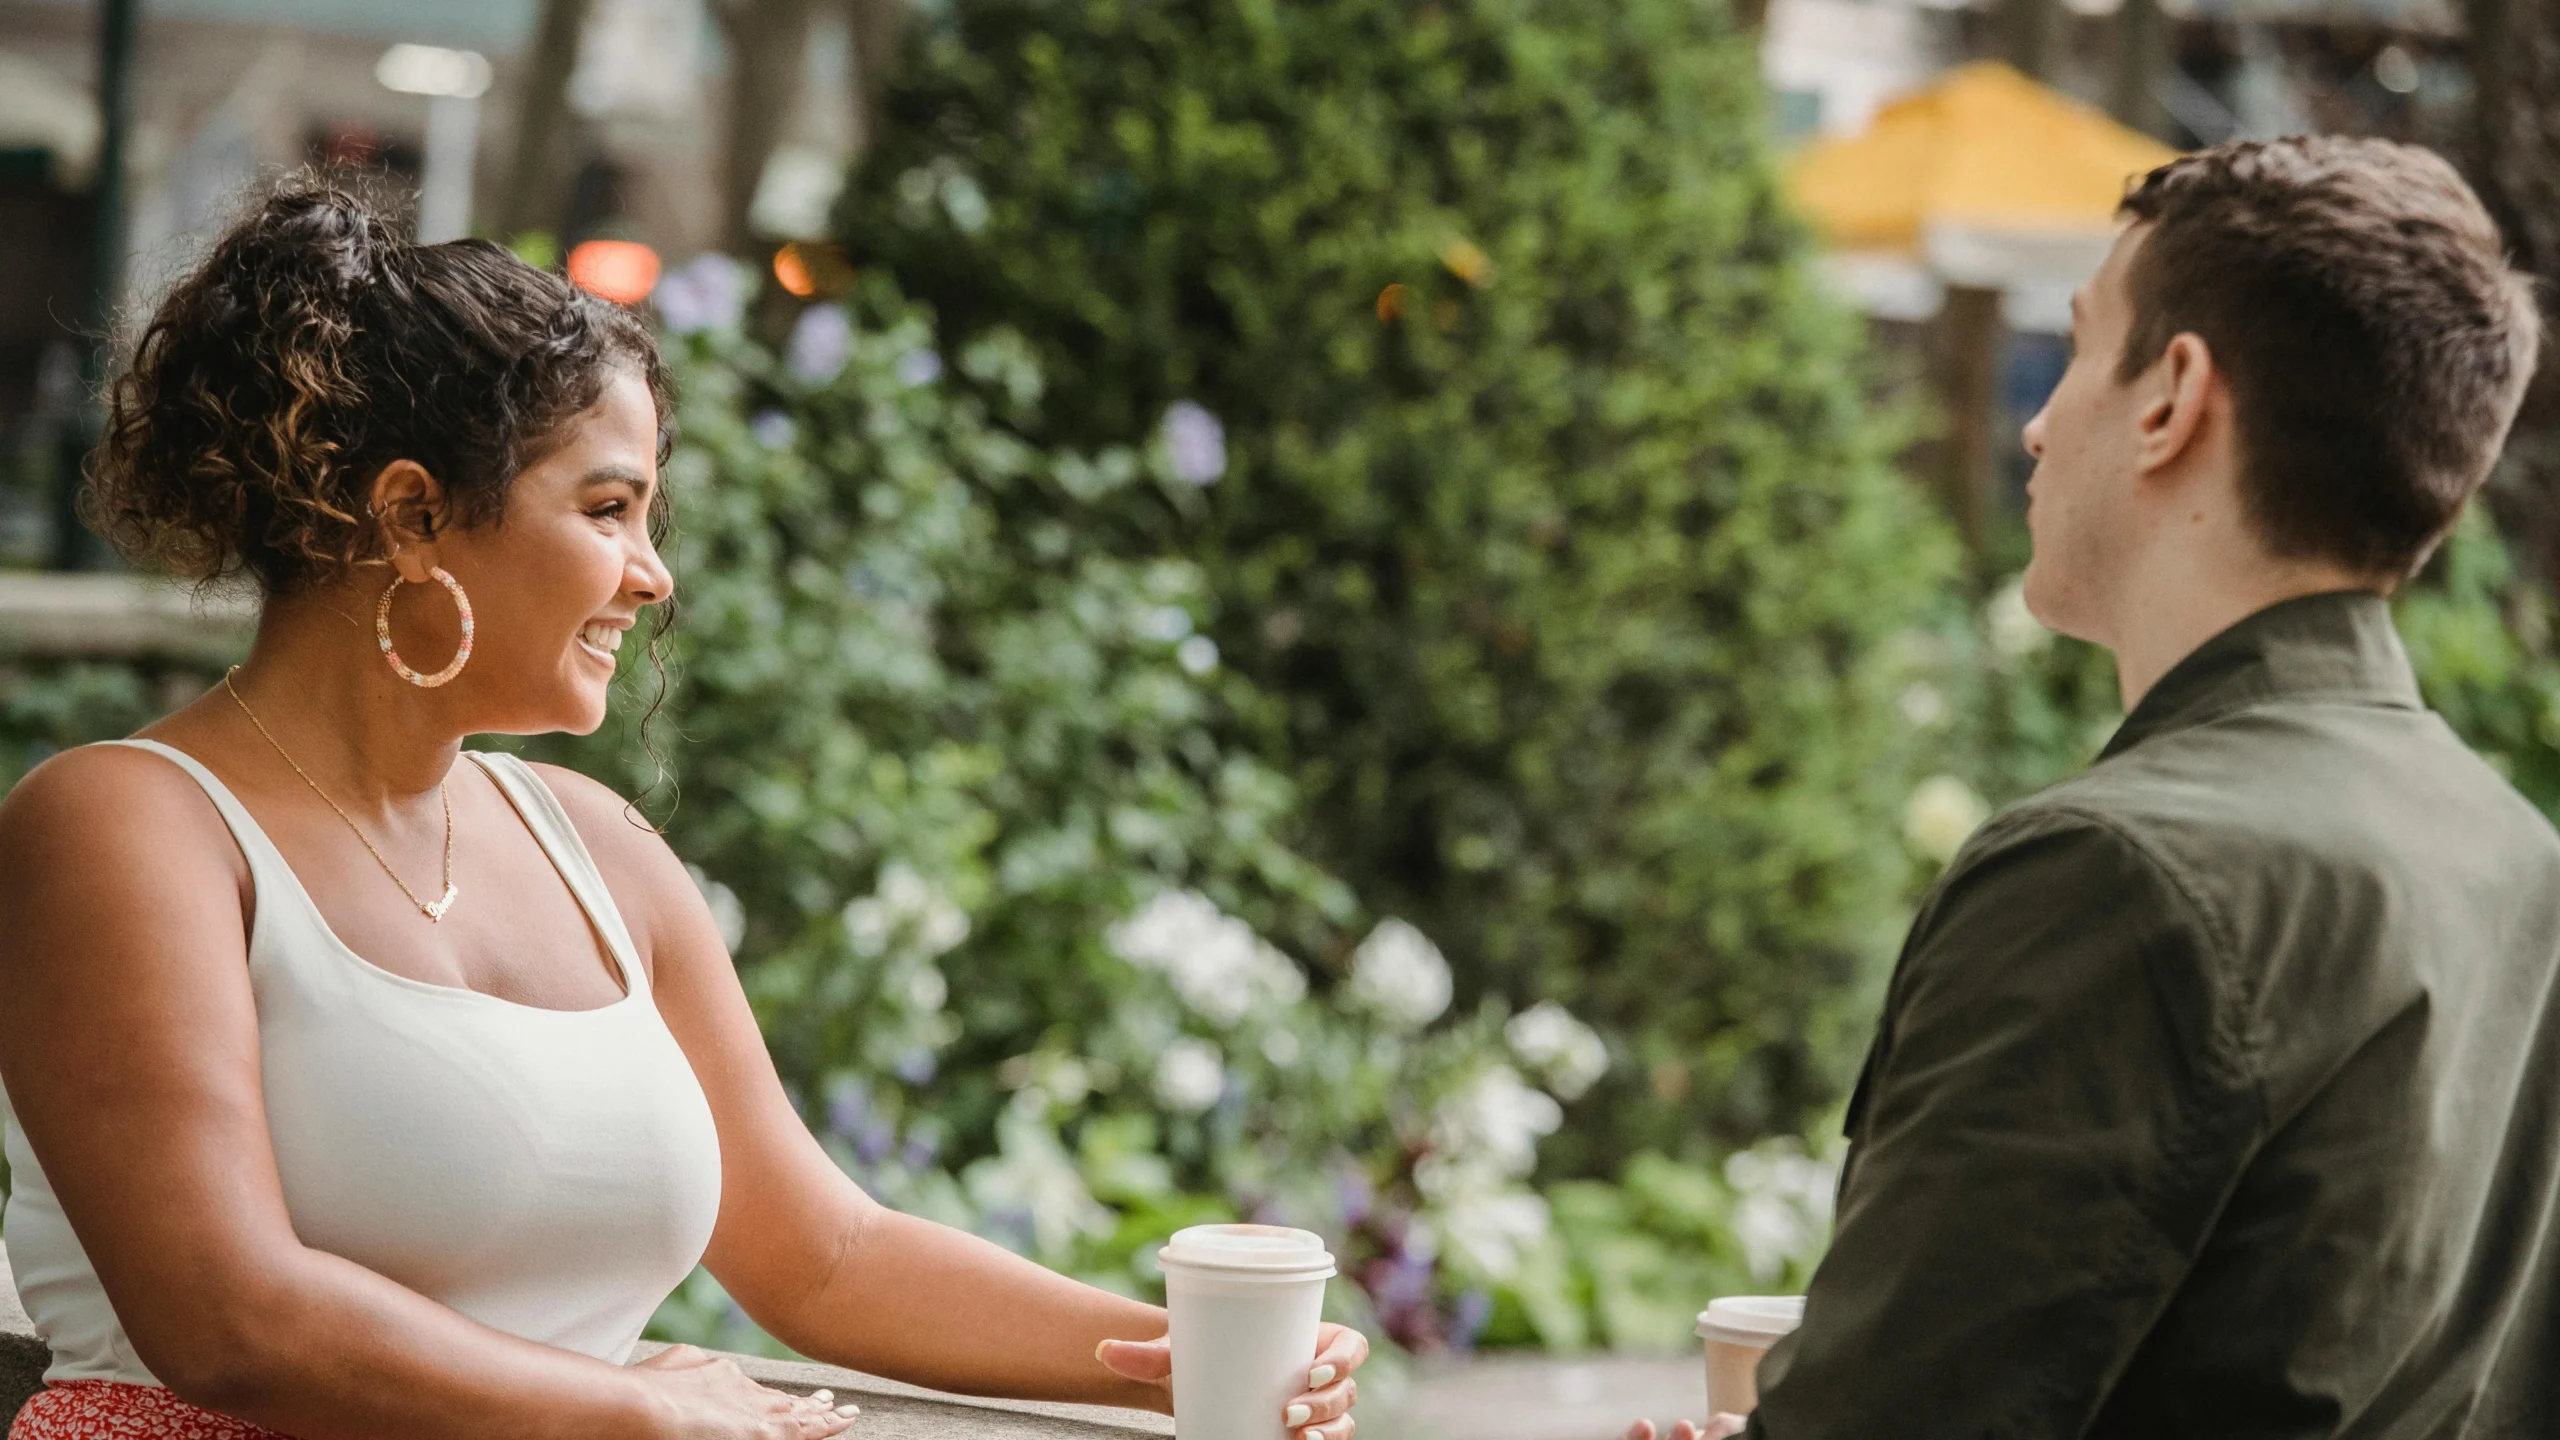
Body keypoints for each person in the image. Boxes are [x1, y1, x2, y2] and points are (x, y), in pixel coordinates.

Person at [0, 181, 1368, 1440]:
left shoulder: (597, 854)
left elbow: (825, 1256)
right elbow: (227, 1319)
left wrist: (1178, 1351)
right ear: (413, 517)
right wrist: (624, 1409)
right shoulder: (126, 830)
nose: (652, 577)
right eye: (610, 508)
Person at [1631, 136, 2555, 1439]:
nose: (2038, 419)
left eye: (2076, 347)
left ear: (2174, 396)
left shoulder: (2120, 872)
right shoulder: (2517, 856)